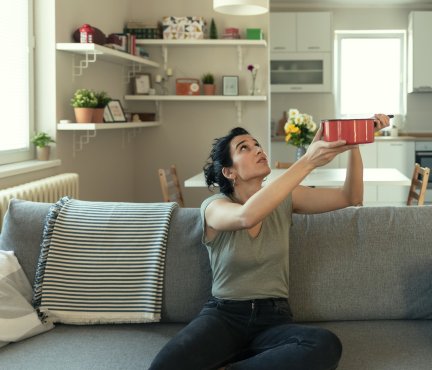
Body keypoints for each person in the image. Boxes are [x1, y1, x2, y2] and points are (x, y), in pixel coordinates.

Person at [149, 114, 390, 370]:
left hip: (274, 319)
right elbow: (246, 216)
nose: (257, 150)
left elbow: (350, 196)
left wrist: (354, 143)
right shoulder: (215, 207)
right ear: (229, 171)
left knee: (325, 345)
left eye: (257, 145)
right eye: (245, 148)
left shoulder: (286, 198)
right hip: (224, 316)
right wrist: (307, 162)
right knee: (164, 366)